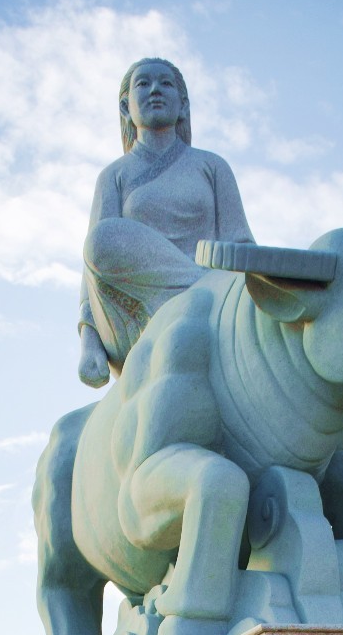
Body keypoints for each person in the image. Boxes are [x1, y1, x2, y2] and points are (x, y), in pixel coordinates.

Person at [77, 57, 255, 387]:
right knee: (104, 239)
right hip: (136, 313)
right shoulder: (114, 176)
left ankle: (203, 298)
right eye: (143, 84)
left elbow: (240, 244)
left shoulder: (211, 166)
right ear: (125, 107)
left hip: (216, 302)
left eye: (166, 83)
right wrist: (89, 342)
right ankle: (198, 295)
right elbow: (94, 268)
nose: (155, 89)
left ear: (183, 105)